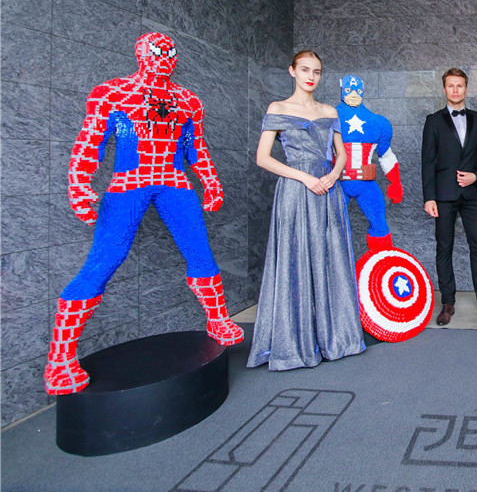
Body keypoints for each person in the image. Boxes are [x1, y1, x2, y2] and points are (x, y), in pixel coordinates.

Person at [45, 32, 243, 395]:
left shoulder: (187, 100)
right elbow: (91, 140)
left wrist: (211, 181)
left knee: (200, 251)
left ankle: (217, 319)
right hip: (129, 183)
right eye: (157, 52)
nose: (164, 58)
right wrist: (78, 182)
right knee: (104, 259)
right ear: (141, 54)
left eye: (169, 52)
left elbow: (195, 146)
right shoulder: (112, 93)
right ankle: (61, 356)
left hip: (174, 181)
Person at [248, 50, 366, 370]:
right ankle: (295, 342)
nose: (311, 76)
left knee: (330, 258)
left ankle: (334, 337)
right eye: (304, 70)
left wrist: (333, 174)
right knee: (295, 258)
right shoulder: (278, 108)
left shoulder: (329, 111)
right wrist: (304, 177)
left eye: (316, 71)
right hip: (296, 191)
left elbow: (341, 154)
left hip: (327, 191)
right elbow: (263, 158)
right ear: (292, 71)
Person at [421, 68, 477, 325]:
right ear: (444, 89)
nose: (455, 90)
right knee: (444, 248)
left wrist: (475, 176)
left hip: (473, 194)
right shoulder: (433, 121)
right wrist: (429, 197)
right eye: (451, 85)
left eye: (459, 85)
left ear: (466, 89)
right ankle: (448, 302)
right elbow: (427, 162)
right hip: (443, 195)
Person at [336, 74, 404, 252]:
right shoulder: (330, 118)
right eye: (348, 90)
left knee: (379, 223)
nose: (353, 94)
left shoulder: (377, 123)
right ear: (342, 90)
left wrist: (395, 183)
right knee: (329, 226)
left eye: (357, 90)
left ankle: (382, 265)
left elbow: (386, 155)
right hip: (336, 183)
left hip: (366, 183)